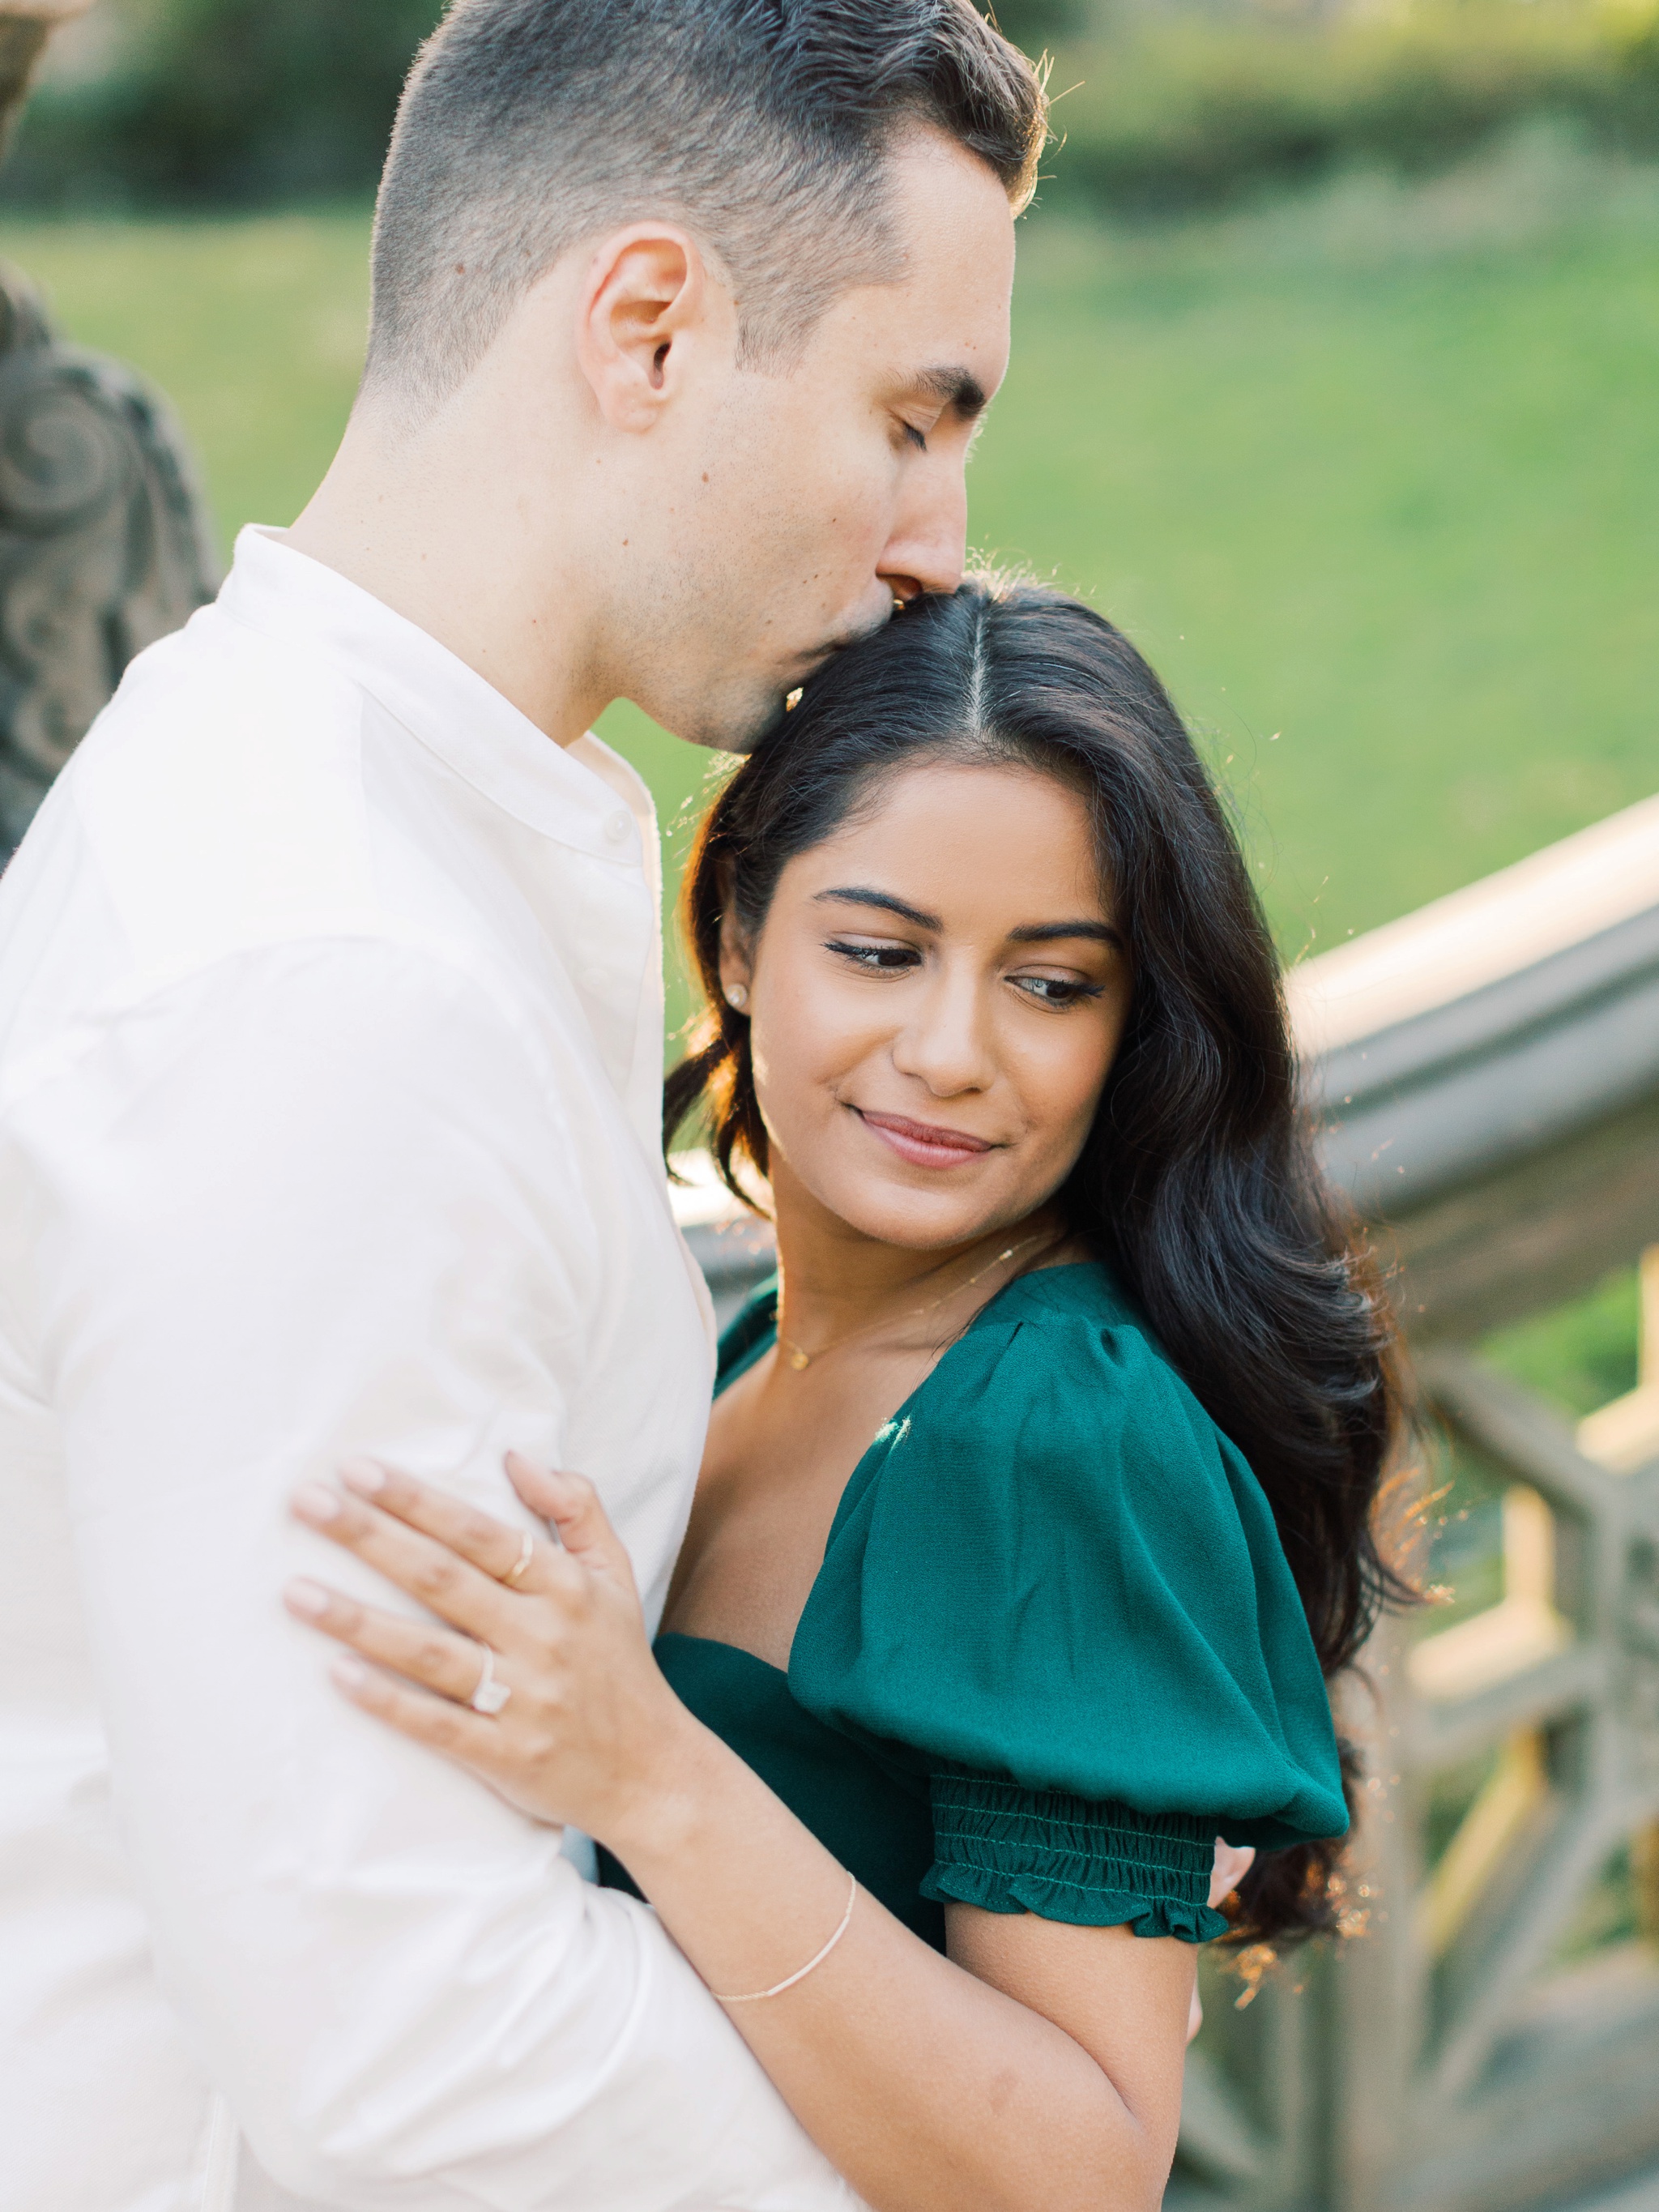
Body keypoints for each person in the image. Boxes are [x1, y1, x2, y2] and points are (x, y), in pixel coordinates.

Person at [0, 6, 1047, 2210]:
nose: (943, 539)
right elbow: (405, 2049)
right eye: (910, 414)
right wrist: (963, 2143)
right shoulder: (329, 976)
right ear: (650, 326)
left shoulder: (341, 795)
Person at [283, 577, 1405, 2212]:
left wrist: (649, 1775)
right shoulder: (741, 1349)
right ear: (738, 936)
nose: (950, 1051)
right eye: (879, 952)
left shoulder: (1047, 1430)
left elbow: (1080, 2176)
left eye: (1052, 982)